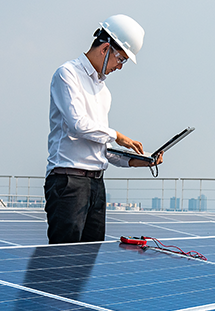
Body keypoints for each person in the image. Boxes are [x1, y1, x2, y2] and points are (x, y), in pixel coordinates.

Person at [44, 14, 162, 244]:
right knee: (63, 263)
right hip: (68, 182)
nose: (120, 66)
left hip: (96, 185)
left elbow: (101, 146)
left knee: (88, 262)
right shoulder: (67, 74)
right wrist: (118, 136)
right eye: (122, 59)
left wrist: (137, 161)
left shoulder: (103, 91)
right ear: (105, 48)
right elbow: (78, 125)